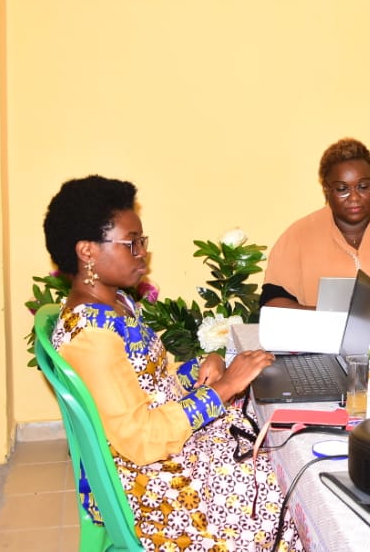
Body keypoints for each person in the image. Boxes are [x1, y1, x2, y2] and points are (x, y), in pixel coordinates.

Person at [43, 175, 302, 551]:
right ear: (87, 252)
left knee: (279, 446)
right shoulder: (92, 336)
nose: (142, 253)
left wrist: (203, 366)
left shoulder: (115, 304)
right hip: (155, 483)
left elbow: (149, 382)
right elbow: (141, 439)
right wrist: (224, 388)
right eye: (132, 243)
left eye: (142, 242)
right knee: (286, 487)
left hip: (170, 449)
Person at [261, 137, 370, 309]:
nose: (354, 197)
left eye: (363, 186)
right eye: (342, 189)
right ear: (326, 189)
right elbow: (272, 304)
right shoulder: (298, 235)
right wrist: (331, 316)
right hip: (321, 332)